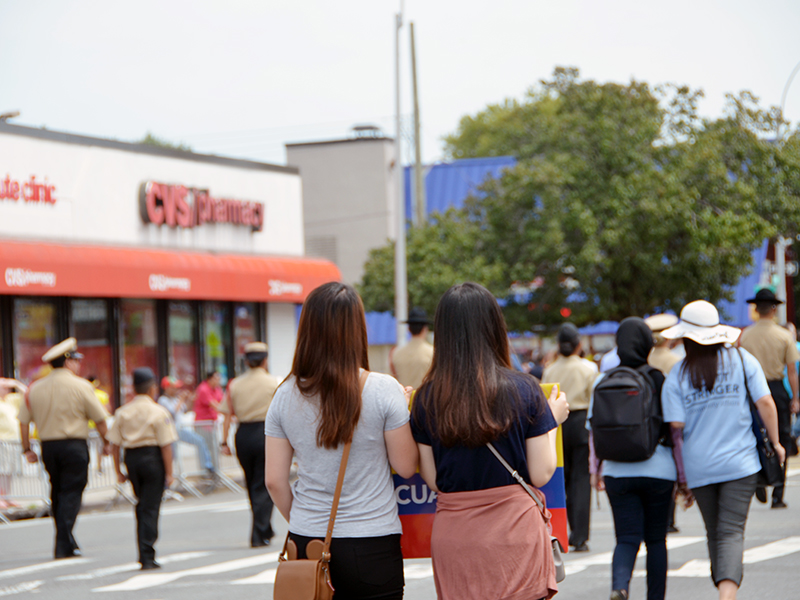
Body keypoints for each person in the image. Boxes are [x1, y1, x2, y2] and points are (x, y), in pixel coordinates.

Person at [410, 283, 568, 600]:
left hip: (456, 540)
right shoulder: (525, 389)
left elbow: (435, 480)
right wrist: (552, 420)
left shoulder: (427, 397)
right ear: (494, 327)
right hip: (515, 535)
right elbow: (540, 473)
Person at [266, 282, 418, 600]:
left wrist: (305, 518)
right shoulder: (383, 389)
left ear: (307, 328)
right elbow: (405, 466)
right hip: (372, 543)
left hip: (307, 540)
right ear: (357, 329)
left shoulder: (284, 394)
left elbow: (274, 482)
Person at [661, 300, 785, 600]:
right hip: (740, 463)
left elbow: (675, 428)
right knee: (731, 532)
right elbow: (766, 403)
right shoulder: (742, 360)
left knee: (714, 532)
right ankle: (726, 595)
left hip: (698, 466)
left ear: (687, 337)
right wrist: (777, 442)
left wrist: (681, 478)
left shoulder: (677, 375)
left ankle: (723, 590)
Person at [589, 317, 684, 600]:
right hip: (659, 470)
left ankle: (620, 586)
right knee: (656, 539)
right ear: (647, 345)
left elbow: (594, 432)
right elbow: (675, 432)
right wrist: (683, 476)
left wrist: (595, 471)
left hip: (617, 473)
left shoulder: (602, 380)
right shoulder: (658, 379)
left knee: (626, 538)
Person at [17, 338, 111, 558]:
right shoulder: (82, 386)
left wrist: (26, 448)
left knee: (57, 491)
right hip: (74, 445)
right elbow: (99, 418)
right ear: (68, 362)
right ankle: (62, 542)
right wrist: (107, 442)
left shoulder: (34, 388)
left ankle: (67, 541)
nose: (78, 365)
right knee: (71, 492)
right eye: (76, 360)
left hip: (48, 446)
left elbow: (23, 421)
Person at [108, 367, 177, 570]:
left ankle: (144, 551)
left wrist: (118, 470)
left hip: (132, 459)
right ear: (152, 389)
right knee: (150, 507)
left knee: (142, 503)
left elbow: (114, 445)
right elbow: (166, 445)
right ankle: (147, 554)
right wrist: (170, 473)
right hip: (152, 459)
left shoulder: (122, 412)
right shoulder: (158, 411)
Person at [739, 288, 800, 508]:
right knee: (781, 438)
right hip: (776, 389)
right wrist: (795, 398)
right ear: (774, 309)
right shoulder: (784, 336)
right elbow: (791, 371)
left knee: (753, 434)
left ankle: (758, 480)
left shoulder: (745, 335)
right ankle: (778, 494)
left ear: (756, 309)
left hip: (751, 391)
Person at [542, 322, 597, 552]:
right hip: (581, 422)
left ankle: (559, 533)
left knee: (560, 480)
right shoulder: (589, 368)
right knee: (581, 480)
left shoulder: (550, 369)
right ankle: (580, 535)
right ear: (578, 345)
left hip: (557, 424)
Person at [220, 341, 279, 547]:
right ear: (265, 360)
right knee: (264, 483)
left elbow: (227, 414)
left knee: (252, 482)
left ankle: (264, 528)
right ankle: (259, 532)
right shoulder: (275, 382)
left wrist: (223, 441)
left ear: (246, 361)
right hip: (267, 433)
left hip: (243, 434)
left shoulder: (235, 384)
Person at [158, 377, 215, 477]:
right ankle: (168, 477)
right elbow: (172, 413)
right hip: (171, 431)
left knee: (200, 441)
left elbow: (186, 410)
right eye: (174, 387)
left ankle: (206, 466)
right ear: (167, 388)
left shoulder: (176, 399)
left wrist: (190, 399)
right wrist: (182, 399)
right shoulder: (163, 400)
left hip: (180, 429)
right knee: (171, 456)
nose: (176, 389)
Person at [390, 307, 434, 389]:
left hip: (403, 399)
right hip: (424, 400)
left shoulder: (396, 353)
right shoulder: (433, 353)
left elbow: (390, 380)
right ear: (425, 329)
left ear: (408, 328)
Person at [0, 378, 26, 509]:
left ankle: (7, 495)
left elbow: (27, 394)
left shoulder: (11, 400)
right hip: (3, 440)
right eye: (3, 386)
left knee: (10, 469)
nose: (6, 388)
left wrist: (16, 383)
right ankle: (1, 497)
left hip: (14, 440)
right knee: (2, 470)